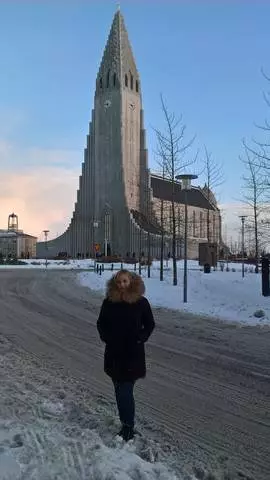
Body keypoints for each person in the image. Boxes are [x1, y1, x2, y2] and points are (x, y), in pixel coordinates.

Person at [97, 269, 155, 442]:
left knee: (124, 390)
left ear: (131, 282)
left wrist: (140, 338)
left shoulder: (141, 303)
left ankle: (128, 427)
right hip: (114, 353)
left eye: (125, 281)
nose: (122, 285)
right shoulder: (109, 302)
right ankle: (125, 422)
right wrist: (107, 337)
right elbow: (101, 323)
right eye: (119, 282)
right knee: (119, 389)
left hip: (132, 354)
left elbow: (150, 324)